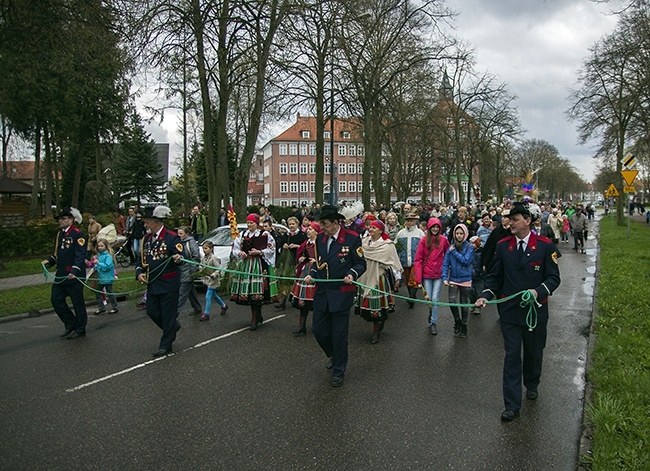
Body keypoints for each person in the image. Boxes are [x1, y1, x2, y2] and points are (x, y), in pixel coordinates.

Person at [475, 201, 561, 422]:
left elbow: (553, 278)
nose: (509, 223)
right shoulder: (504, 246)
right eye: (508, 219)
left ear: (527, 221)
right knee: (512, 356)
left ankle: (532, 382)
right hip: (511, 313)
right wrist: (485, 295)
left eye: (514, 219)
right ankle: (512, 404)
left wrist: (538, 291)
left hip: (536, 311)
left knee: (533, 353)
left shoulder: (545, 245)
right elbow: (494, 276)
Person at [304, 205, 366, 387]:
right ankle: (333, 354)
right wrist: (313, 274)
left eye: (324, 223)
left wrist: (352, 274)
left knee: (339, 335)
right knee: (318, 330)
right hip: (323, 293)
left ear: (335, 222)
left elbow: (361, 263)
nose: (321, 227)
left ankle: (339, 369)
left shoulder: (352, 239)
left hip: (341, 294)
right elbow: (319, 263)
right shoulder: (320, 240)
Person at [136, 205, 184, 357]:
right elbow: (140, 260)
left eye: (147, 222)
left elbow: (180, 255)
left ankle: (165, 345)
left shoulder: (172, 236)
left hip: (168, 283)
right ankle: (171, 328)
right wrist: (139, 273)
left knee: (168, 314)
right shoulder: (146, 239)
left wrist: (178, 258)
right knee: (152, 311)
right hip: (153, 283)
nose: (145, 225)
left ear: (156, 221)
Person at [42, 207, 88, 339]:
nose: (60, 221)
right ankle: (70, 323)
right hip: (61, 274)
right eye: (59, 219)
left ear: (71, 220)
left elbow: (80, 256)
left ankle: (80, 328)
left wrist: (74, 270)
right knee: (56, 299)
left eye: (64, 218)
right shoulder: (60, 234)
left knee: (77, 302)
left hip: (74, 275)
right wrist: (49, 262)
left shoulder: (78, 234)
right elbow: (58, 254)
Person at [355, 220, 402, 344]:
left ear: (380, 230)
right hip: (365, 275)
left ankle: (376, 330)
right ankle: (377, 325)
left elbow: (393, 262)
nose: (370, 230)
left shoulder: (387, 245)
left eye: (374, 228)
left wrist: (398, 278)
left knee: (377, 306)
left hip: (378, 276)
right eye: (370, 227)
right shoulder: (364, 242)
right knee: (368, 304)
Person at [230, 213, 278, 331]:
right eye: (248, 223)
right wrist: (240, 253)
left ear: (257, 224)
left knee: (257, 292)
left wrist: (260, 252)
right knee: (251, 293)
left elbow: (272, 248)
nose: (249, 225)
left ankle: (255, 318)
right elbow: (235, 248)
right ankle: (256, 316)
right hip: (246, 264)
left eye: (251, 223)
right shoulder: (242, 235)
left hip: (259, 265)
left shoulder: (264, 234)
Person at [413, 217, 450, 335]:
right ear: (429, 228)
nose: (435, 229)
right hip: (427, 274)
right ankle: (432, 312)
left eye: (437, 227)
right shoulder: (424, 240)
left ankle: (433, 322)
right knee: (429, 300)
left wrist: (446, 268)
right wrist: (418, 278)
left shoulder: (443, 240)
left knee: (435, 299)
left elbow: (448, 253)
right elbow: (418, 259)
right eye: (433, 227)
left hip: (438, 273)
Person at [442, 224, 474, 338]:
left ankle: (464, 325)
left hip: (465, 279)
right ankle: (457, 320)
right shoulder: (450, 247)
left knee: (464, 304)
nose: (459, 236)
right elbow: (445, 263)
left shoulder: (469, 247)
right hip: (453, 279)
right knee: (452, 301)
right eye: (457, 233)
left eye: (461, 233)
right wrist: (445, 277)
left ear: (465, 234)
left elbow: (466, 260)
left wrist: (454, 252)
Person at [289, 221, 321, 336]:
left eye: (311, 229)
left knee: (317, 301)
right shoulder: (305, 243)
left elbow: (326, 259)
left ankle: (319, 326)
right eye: (307, 229)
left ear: (317, 232)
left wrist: (317, 261)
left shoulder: (321, 243)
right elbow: (299, 255)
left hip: (317, 273)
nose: (308, 231)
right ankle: (301, 326)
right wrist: (301, 259)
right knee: (303, 301)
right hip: (305, 271)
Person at [275, 216, 306, 310]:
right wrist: (283, 245)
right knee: (286, 279)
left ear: (297, 224)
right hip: (287, 261)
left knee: (296, 280)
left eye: (293, 224)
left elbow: (306, 247)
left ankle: (297, 298)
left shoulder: (302, 235)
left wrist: (297, 246)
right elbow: (279, 245)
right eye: (290, 224)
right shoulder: (286, 235)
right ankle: (283, 300)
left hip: (297, 260)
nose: (291, 226)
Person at [395, 213, 425, 308]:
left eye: (411, 220)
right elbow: (396, 246)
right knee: (407, 280)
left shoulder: (420, 233)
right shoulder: (401, 233)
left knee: (414, 280)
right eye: (408, 220)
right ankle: (411, 295)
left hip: (416, 261)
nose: (409, 222)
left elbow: (424, 247)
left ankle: (412, 297)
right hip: (404, 260)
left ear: (415, 221)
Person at [176, 226, 203, 317]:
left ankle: (174, 313)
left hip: (188, 270)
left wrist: (193, 272)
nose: (179, 235)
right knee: (190, 291)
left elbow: (196, 257)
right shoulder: (178, 243)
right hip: (181, 269)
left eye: (181, 234)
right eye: (178, 233)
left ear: (187, 234)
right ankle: (197, 307)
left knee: (182, 293)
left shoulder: (191, 243)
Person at [199, 240, 228, 321]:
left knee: (208, 296)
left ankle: (206, 313)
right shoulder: (204, 258)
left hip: (213, 280)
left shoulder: (213, 258)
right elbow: (202, 265)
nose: (204, 250)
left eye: (206, 248)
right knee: (214, 295)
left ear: (211, 249)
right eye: (203, 248)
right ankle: (224, 306)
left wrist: (214, 274)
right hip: (207, 279)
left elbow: (218, 268)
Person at [92, 238, 119, 315]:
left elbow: (108, 266)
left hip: (107, 277)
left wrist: (98, 263)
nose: (100, 247)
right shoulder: (99, 255)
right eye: (99, 246)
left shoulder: (108, 256)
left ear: (106, 246)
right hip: (101, 278)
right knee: (97, 292)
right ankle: (101, 308)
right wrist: (95, 268)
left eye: (102, 246)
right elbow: (99, 266)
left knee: (110, 292)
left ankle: (115, 307)